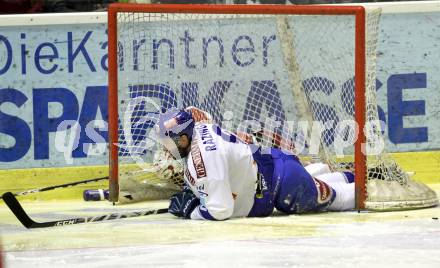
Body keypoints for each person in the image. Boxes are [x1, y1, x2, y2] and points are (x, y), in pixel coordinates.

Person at [155, 107, 355, 220]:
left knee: (343, 198)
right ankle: (353, 175)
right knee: (317, 180)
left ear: (183, 139)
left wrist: (191, 210)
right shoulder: (199, 123)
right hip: (275, 162)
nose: (166, 149)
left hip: (285, 188)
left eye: (167, 142)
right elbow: (198, 113)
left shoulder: (202, 162)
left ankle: (374, 186)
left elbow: (220, 210)